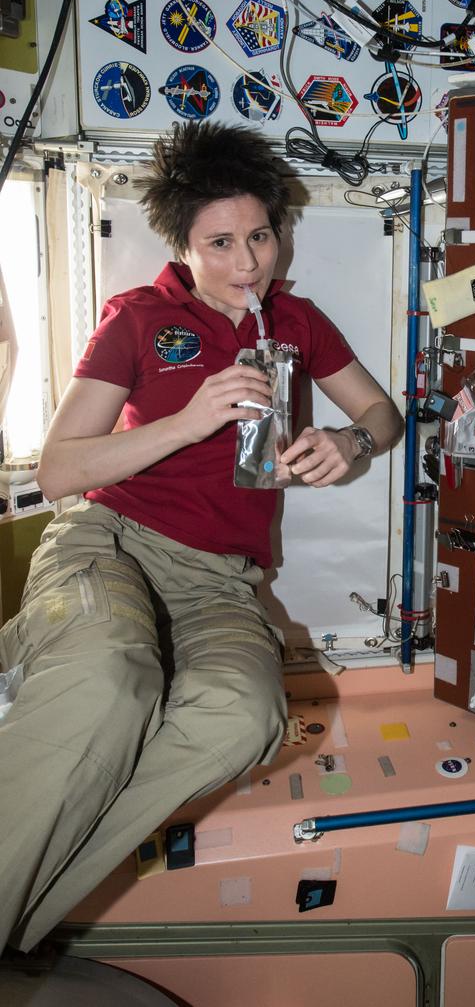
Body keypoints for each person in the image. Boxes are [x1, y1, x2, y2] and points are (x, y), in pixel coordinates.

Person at [0, 120, 402, 953]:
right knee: (111, 677)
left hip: (219, 579)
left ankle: (17, 916)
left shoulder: (296, 319)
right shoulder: (138, 318)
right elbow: (64, 469)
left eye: (260, 235)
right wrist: (188, 421)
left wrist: (349, 442)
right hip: (112, 541)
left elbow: (382, 412)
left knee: (242, 714)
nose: (248, 262)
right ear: (182, 245)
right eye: (220, 243)